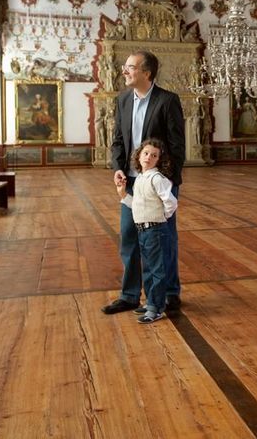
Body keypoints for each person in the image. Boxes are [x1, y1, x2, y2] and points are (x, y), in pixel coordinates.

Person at [103, 50, 186, 316]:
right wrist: (118, 168)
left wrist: (165, 182)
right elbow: (118, 140)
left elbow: (177, 146)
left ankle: (169, 295)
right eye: (126, 67)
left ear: (146, 72)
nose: (124, 71)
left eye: (130, 67)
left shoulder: (167, 101)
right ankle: (129, 296)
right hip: (130, 183)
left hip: (157, 184)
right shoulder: (123, 100)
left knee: (164, 241)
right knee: (129, 239)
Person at [116, 138, 177, 324]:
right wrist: (122, 194)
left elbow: (171, 202)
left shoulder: (158, 179)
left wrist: (160, 218)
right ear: (139, 155)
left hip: (155, 230)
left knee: (157, 270)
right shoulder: (141, 178)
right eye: (146, 153)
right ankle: (151, 301)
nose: (149, 157)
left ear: (159, 160)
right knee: (148, 269)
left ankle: (156, 308)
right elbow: (136, 206)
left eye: (154, 155)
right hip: (143, 230)